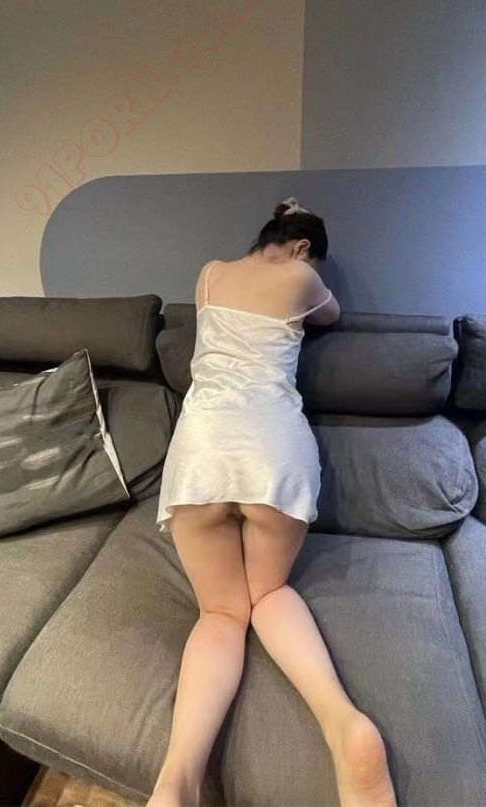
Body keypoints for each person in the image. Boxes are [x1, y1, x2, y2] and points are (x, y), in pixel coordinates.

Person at [150, 197, 397, 807]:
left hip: (202, 451)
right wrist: (304, 244)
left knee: (220, 613)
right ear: (304, 247)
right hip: (273, 452)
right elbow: (332, 316)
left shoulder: (209, 274)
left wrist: (287, 222)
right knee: (268, 595)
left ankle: (176, 779)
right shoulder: (303, 279)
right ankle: (342, 723)